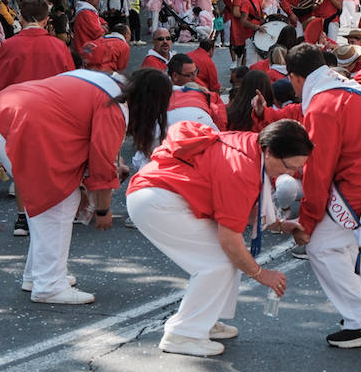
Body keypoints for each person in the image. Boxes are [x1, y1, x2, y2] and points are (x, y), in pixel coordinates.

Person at [128, 119, 308, 357]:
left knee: (225, 259)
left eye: (297, 168)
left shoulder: (253, 146)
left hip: (160, 193)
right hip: (158, 201)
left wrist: (281, 225)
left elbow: (242, 208)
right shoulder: (242, 168)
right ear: (270, 152)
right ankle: (183, 334)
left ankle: (204, 320)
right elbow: (230, 241)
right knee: (220, 262)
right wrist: (261, 274)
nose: (291, 173)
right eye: (289, 166)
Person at [0, 68, 164, 304]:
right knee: (58, 203)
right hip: (24, 123)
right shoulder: (115, 105)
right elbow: (102, 161)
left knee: (52, 205)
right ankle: (49, 286)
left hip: (4, 111)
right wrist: (103, 210)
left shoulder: (99, 78)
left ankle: (39, 275)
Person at [284, 43, 361, 348]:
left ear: (295, 77)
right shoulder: (349, 87)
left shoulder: (322, 104)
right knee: (344, 249)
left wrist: (307, 222)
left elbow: (318, 170)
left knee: (321, 247)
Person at [0, 0, 75, 98]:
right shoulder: (60, 47)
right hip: (50, 103)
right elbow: (69, 83)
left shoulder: (6, 47)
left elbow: (1, 81)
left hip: (18, 103)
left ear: (21, 19)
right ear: (46, 21)